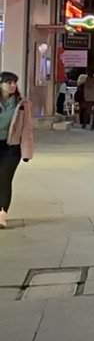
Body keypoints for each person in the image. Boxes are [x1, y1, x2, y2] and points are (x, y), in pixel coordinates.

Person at [0, 72, 35, 229]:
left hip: (11, 148)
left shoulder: (22, 104)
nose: (13, 85)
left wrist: (27, 152)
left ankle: (2, 214)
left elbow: (27, 129)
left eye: (14, 82)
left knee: (4, 179)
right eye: (9, 82)